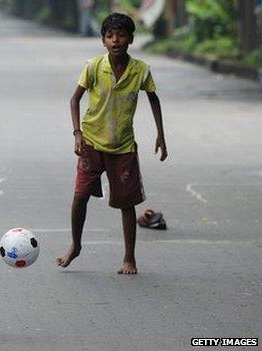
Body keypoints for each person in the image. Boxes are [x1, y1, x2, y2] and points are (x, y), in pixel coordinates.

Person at [56, 13, 167, 275]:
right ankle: (76, 245)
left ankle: (129, 258)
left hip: (123, 147)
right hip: (91, 143)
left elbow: (154, 99)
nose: (115, 40)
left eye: (121, 35)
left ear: (130, 39)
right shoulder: (95, 66)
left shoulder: (140, 70)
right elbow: (74, 100)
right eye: (109, 36)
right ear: (103, 40)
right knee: (80, 196)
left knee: (126, 204)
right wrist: (77, 134)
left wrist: (161, 135)